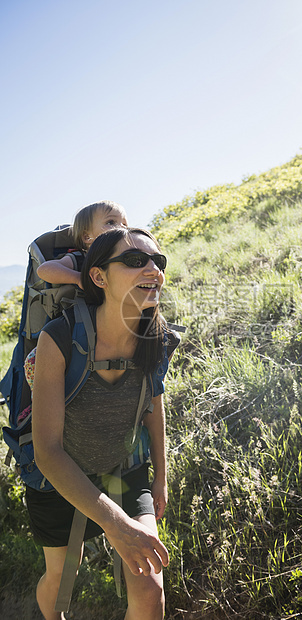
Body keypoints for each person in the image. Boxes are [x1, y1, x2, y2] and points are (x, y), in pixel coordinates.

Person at [28, 226, 179, 620]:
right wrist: (116, 525)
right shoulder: (58, 339)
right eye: (134, 260)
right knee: (61, 578)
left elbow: (152, 406)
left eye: (156, 261)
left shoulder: (157, 337)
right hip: (59, 478)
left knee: (150, 594)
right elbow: (47, 451)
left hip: (123, 469)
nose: (153, 270)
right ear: (98, 276)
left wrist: (161, 475)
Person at [36, 200, 128, 288]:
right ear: (87, 237)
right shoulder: (81, 258)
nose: (122, 227)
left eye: (124, 224)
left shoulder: (128, 257)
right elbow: (44, 270)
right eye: (111, 222)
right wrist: (78, 278)